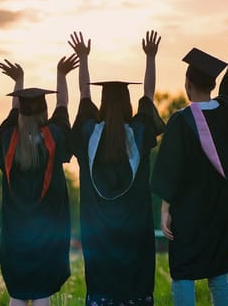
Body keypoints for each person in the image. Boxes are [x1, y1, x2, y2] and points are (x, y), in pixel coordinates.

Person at [150, 23, 228, 305]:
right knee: (218, 273)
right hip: (219, 212)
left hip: (188, 213)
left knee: (183, 272)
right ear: (213, 85)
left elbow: (171, 168)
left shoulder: (182, 121)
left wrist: (165, 208)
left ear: (188, 86)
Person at [68, 30, 164, 305]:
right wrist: (150, 58)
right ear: (127, 103)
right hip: (135, 239)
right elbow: (148, 97)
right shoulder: (140, 132)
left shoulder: (88, 135)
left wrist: (83, 59)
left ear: (102, 103)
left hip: (99, 240)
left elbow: (83, 99)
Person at [0, 54, 79, 306]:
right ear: (45, 111)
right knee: (42, 294)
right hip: (47, 238)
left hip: (14, 239)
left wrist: (18, 83)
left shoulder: (7, 139)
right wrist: (61, 76)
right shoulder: (54, 137)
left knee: (17, 295)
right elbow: (63, 108)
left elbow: (12, 117)